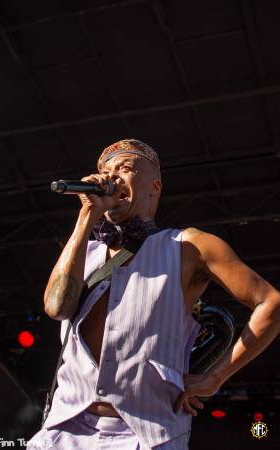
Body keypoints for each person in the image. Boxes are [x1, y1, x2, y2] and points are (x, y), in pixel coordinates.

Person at [27, 139, 280, 450]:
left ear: (154, 186)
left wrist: (215, 377)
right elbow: (56, 307)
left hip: (147, 435)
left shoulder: (190, 246)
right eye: (105, 171)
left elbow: (271, 302)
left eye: (125, 169)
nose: (111, 178)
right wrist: (86, 217)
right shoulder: (84, 253)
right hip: (64, 431)